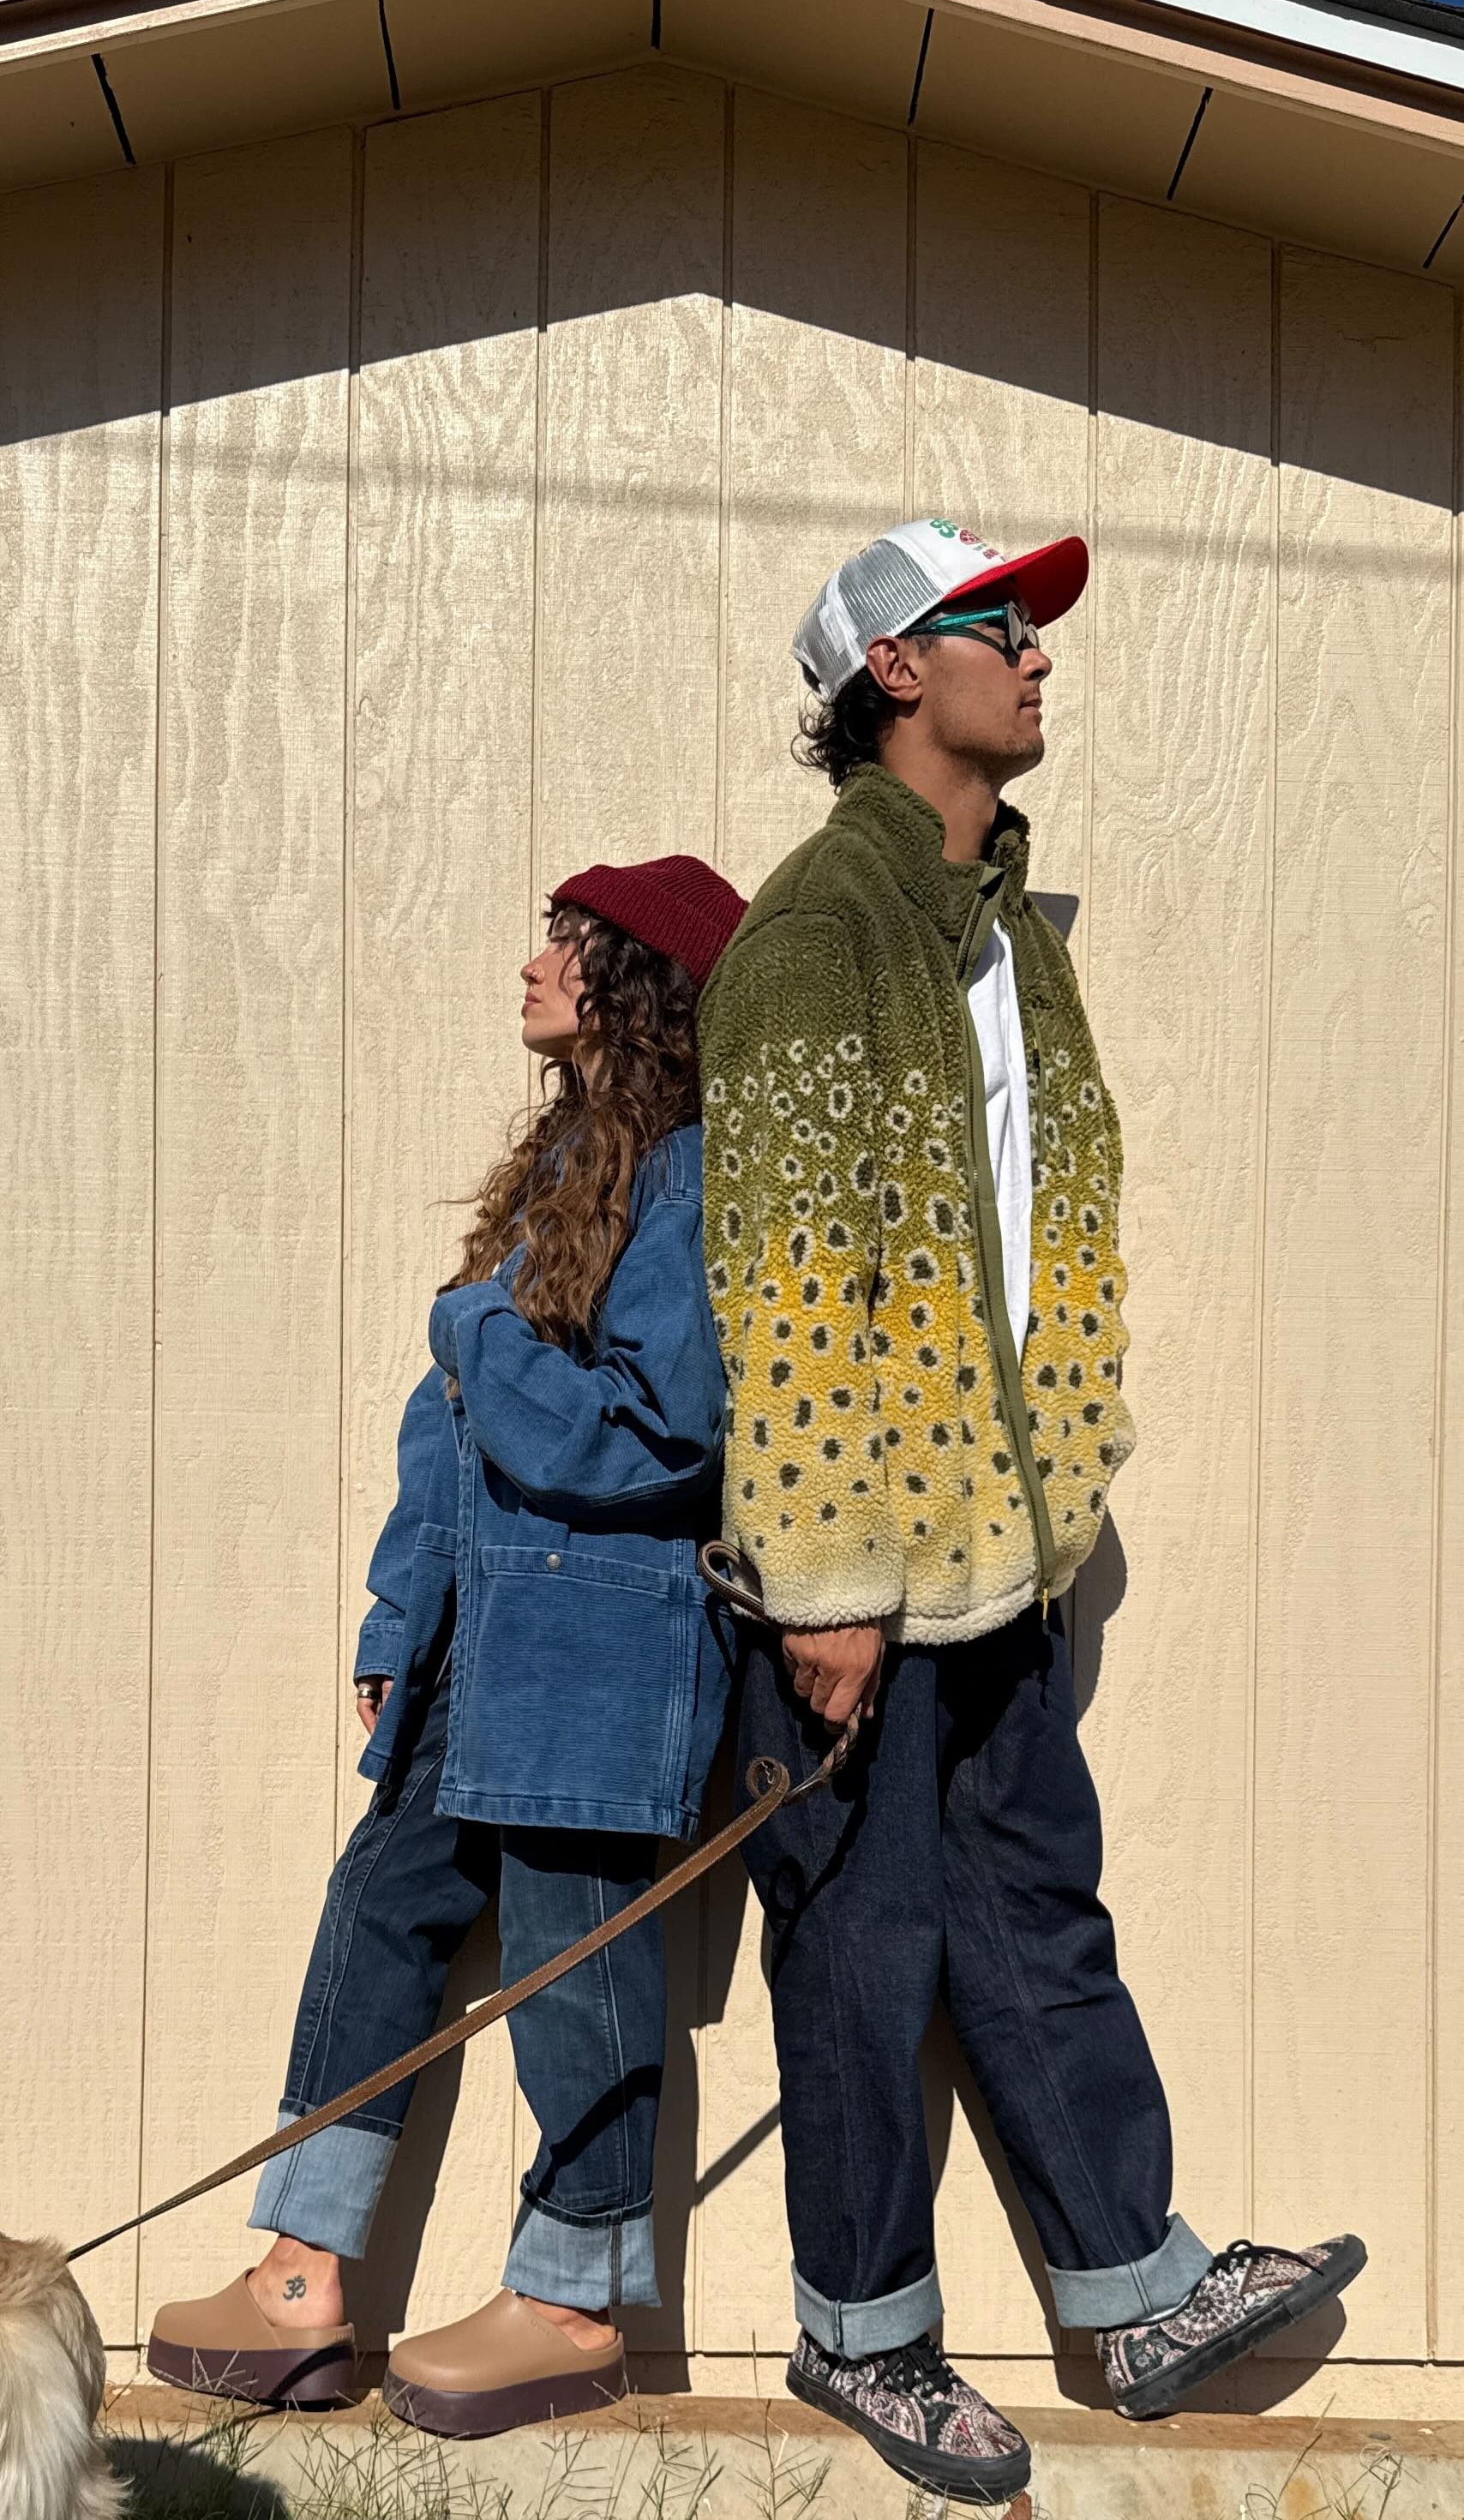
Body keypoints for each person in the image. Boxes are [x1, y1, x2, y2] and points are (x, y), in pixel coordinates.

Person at [695, 519, 1365, 2505]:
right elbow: (785, 1271)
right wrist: (824, 1575)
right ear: (895, 671)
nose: (1037, 654)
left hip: (993, 1548)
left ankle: (1129, 2287)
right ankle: (858, 2328)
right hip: (856, 1560)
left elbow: (1032, 1234)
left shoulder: (1000, 935)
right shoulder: (814, 930)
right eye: (999, 624)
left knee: (1029, 1897)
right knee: (862, 1942)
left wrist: (1050, 1494)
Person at [148, 854, 747, 2440]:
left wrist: (473, 1324)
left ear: (641, 987)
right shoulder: (562, 1168)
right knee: (379, 1906)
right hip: (478, 1639)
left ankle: (573, 2296)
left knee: (570, 1949)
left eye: (573, 941)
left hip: (596, 1646)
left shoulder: (682, 1176)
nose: (537, 962)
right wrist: (398, 1609)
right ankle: (301, 2275)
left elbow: (659, 1429)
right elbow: (452, 1430)